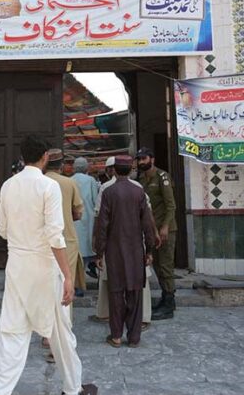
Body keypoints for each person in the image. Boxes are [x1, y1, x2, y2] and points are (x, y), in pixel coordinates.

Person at [0, 135, 96, 395]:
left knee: (11, 332)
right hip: (45, 268)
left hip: (17, 266)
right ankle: (73, 388)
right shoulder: (48, 187)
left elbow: (2, 229)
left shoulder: (8, 186)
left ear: (23, 156)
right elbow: (54, 236)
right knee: (61, 332)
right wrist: (68, 277)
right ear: (46, 156)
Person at [94, 155, 156, 348]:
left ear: (113, 170)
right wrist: (150, 250)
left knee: (116, 293)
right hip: (136, 249)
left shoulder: (108, 192)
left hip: (114, 251)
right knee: (135, 293)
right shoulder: (139, 192)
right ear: (130, 170)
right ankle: (134, 337)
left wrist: (99, 252)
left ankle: (116, 336)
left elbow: (102, 225)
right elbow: (147, 224)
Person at [136, 147, 177, 320]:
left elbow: (171, 205)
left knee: (166, 265)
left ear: (152, 159)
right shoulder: (141, 179)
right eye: (139, 159)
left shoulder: (162, 177)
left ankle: (169, 303)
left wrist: (165, 226)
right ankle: (164, 297)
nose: (141, 162)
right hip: (151, 230)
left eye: (144, 158)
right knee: (157, 265)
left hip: (164, 229)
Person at [45, 149, 85, 308]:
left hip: (42, 240)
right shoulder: (69, 183)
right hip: (65, 239)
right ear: (61, 165)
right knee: (65, 286)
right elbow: (78, 213)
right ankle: (63, 325)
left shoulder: (38, 182)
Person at [71, 157, 99, 280]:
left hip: (74, 218)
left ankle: (79, 279)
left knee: (77, 248)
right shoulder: (91, 180)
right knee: (88, 245)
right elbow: (95, 200)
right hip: (88, 217)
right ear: (86, 167)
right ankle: (91, 266)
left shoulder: (70, 180)